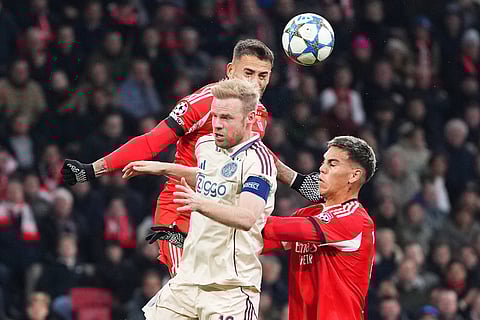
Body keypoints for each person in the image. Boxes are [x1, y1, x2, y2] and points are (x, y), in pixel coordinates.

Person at [61, 38, 322, 275]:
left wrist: (298, 181)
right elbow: (152, 141)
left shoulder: (259, 113)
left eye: (263, 76)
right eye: (248, 73)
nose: (255, 82)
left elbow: (259, 155)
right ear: (230, 70)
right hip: (183, 212)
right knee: (187, 292)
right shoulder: (202, 103)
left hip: (222, 214)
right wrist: (92, 169)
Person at [123, 78, 277, 319]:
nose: (216, 124)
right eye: (214, 116)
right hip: (188, 281)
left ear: (250, 119)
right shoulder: (206, 145)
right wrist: (162, 168)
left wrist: (199, 203)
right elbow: (207, 176)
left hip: (230, 289)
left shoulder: (259, 162)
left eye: (226, 118)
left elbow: (247, 217)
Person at [262, 136, 377, 320]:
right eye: (324, 162)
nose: (322, 168)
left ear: (354, 175)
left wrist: (244, 211)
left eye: (332, 164)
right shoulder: (308, 213)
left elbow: (270, 226)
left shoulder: (354, 218)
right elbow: (257, 240)